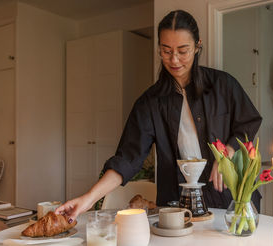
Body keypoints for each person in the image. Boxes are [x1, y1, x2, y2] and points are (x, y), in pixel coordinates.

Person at [56, 10, 262, 223]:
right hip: (178, 210)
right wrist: (88, 199)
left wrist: (226, 152)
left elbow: (248, 122)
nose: (174, 60)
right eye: (166, 51)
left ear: (197, 45)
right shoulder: (150, 102)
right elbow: (128, 158)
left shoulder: (223, 85)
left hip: (231, 202)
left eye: (183, 51)